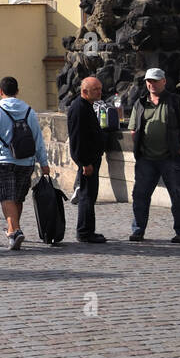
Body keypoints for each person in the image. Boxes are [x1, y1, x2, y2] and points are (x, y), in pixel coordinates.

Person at [0, 76, 50, 251]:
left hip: (3, 159)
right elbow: (37, 139)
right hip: (26, 161)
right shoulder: (29, 111)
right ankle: (13, 228)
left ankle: (14, 230)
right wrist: (44, 162)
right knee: (18, 196)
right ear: (17, 91)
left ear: (1, 91)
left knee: (6, 195)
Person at [128, 68, 180, 243]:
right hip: (146, 159)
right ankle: (138, 231)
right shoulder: (140, 103)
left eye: (156, 80)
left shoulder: (176, 101)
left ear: (164, 81)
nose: (152, 84)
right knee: (140, 196)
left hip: (171, 157)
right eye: (149, 81)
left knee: (179, 195)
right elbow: (133, 129)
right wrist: (138, 147)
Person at [67, 76, 108, 243]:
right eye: (96, 89)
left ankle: (88, 230)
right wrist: (84, 163)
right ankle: (84, 232)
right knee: (86, 196)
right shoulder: (79, 108)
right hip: (87, 161)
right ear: (84, 91)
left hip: (91, 159)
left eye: (100, 88)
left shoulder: (86, 106)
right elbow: (77, 139)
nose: (100, 92)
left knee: (90, 195)